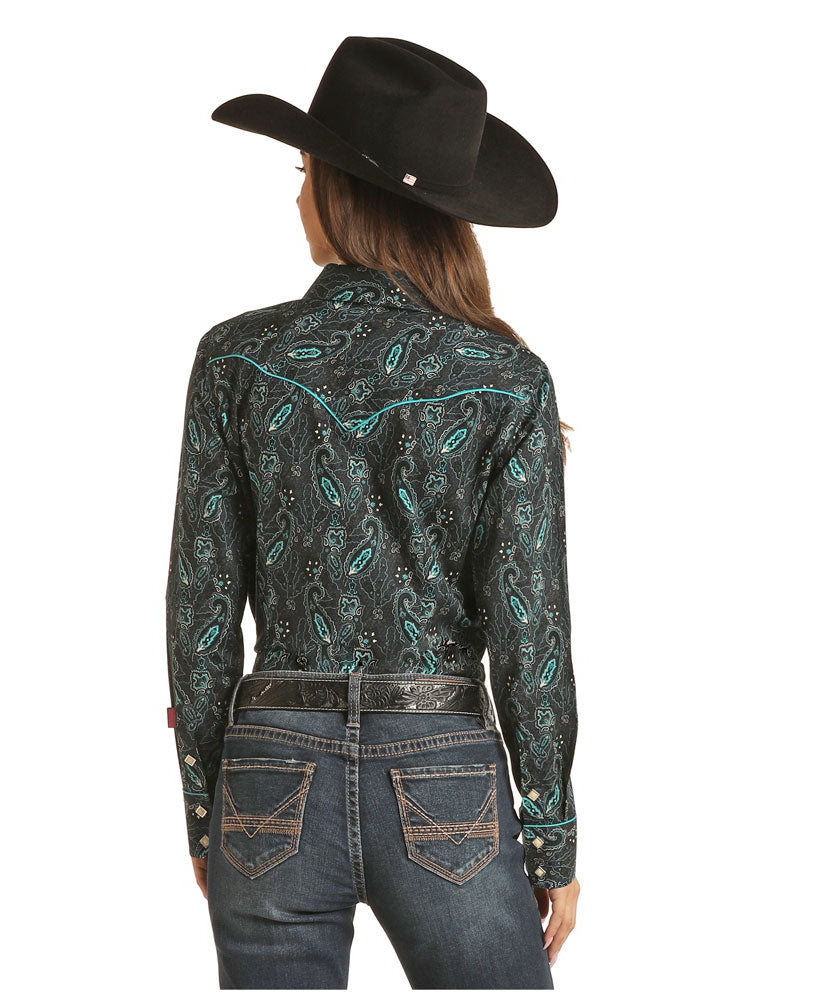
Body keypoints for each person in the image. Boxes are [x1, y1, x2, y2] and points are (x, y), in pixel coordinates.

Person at [165, 36, 580, 989]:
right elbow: (531, 629)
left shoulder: (236, 359)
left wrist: (207, 810)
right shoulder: (507, 378)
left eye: (304, 174)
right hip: (443, 774)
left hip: (269, 773)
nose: (297, 198)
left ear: (347, 192)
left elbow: (200, 611)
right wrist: (551, 833)